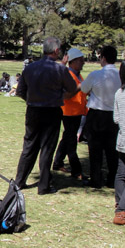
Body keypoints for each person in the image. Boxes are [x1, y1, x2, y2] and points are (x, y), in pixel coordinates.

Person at [15, 37, 78, 195]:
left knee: (29, 146)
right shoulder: (60, 69)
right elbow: (72, 88)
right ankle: (43, 185)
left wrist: (31, 100)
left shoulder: (30, 68)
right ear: (56, 51)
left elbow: (20, 91)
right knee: (47, 149)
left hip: (33, 110)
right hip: (51, 111)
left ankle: (19, 181)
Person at [81, 45, 121, 188]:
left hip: (97, 114)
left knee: (95, 149)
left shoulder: (96, 74)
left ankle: (96, 179)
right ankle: (112, 179)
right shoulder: (120, 75)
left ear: (103, 58)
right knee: (112, 150)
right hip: (113, 115)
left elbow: (84, 89)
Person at [53, 48, 88, 180]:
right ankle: (76, 170)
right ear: (72, 62)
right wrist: (79, 87)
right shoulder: (67, 75)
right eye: (80, 60)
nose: (83, 62)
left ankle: (57, 163)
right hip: (69, 112)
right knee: (71, 141)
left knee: (67, 137)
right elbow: (65, 95)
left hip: (77, 111)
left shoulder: (78, 75)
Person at [113, 62, 125, 225]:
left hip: (123, 139)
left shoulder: (119, 92)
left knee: (121, 174)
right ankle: (122, 211)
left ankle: (120, 204)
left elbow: (116, 118)